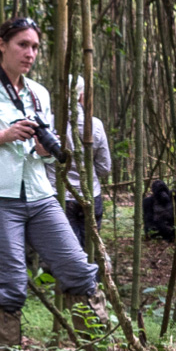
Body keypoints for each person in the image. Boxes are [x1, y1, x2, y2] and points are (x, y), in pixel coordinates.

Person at [0, 16, 130, 351]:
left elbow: (33, 146)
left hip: (41, 195)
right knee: (11, 287)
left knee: (79, 271)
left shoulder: (38, 92)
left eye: (35, 47)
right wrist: (3, 135)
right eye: (22, 45)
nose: (30, 53)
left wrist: (41, 151)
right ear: (1, 44)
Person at [45, 74, 112, 249]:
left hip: (59, 196)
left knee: (67, 252)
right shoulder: (95, 125)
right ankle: (93, 275)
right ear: (82, 96)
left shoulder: (48, 124)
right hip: (91, 195)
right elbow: (104, 168)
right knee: (90, 250)